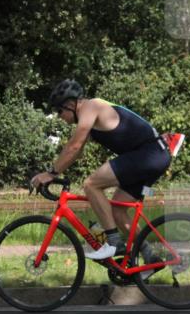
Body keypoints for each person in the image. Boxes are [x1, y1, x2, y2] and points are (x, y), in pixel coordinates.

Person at [30, 79, 177, 272]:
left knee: (91, 184)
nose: (59, 117)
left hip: (148, 155)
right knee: (117, 210)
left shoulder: (91, 107)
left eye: (59, 111)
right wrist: (56, 173)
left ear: (71, 104)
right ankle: (150, 256)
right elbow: (77, 151)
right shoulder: (89, 118)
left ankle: (114, 242)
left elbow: (73, 146)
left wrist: (50, 173)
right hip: (153, 156)